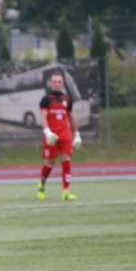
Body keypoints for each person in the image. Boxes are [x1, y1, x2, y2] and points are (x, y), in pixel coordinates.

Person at [37, 71, 81, 201]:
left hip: (65, 135)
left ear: (63, 84)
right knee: (49, 163)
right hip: (52, 136)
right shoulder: (46, 100)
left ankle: (66, 191)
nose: (57, 84)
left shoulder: (67, 99)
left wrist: (77, 134)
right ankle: (41, 185)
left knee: (66, 160)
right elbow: (43, 117)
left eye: (59, 82)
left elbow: (71, 117)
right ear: (51, 83)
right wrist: (47, 132)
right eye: (55, 82)